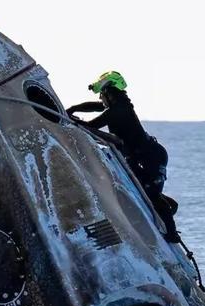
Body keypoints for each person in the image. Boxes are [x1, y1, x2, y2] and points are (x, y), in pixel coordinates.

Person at [66, 71, 180, 243]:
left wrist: (72, 119)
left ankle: (172, 235)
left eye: (102, 95)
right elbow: (96, 107)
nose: (101, 99)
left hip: (152, 156)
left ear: (109, 94)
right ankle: (169, 208)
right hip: (139, 157)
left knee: (152, 193)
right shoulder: (117, 106)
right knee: (145, 191)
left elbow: (91, 126)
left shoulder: (119, 110)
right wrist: (73, 109)